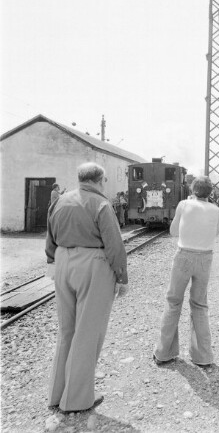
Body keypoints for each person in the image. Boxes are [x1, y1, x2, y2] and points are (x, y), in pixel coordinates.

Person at [45, 162, 128, 413]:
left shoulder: (59, 201)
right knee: (87, 333)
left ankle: (56, 394)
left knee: (67, 331)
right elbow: (114, 243)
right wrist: (121, 277)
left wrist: (52, 260)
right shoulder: (101, 204)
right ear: (99, 179)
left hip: (62, 262)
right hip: (93, 264)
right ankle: (77, 399)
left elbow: (50, 236)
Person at [154, 176, 219, 367]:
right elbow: (215, 233)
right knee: (200, 305)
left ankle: (163, 353)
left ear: (193, 190)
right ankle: (203, 357)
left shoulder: (184, 205)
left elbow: (173, 232)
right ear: (210, 192)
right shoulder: (217, 210)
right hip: (205, 258)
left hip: (184, 256)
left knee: (174, 302)